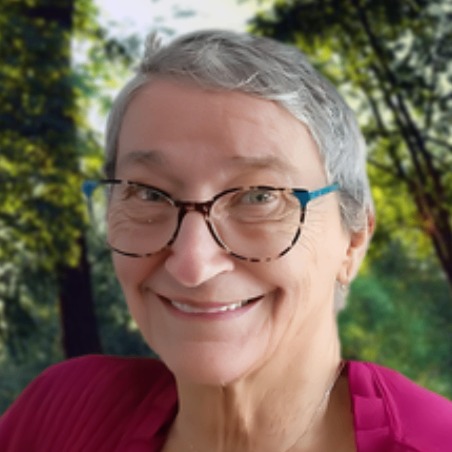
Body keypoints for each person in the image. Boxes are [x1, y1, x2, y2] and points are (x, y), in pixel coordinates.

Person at [1, 29, 451, 452]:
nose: (192, 264)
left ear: (353, 240)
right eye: (148, 193)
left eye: (259, 197)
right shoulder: (61, 414)